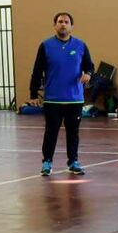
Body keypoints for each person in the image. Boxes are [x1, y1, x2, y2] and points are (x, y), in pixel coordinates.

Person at [30, 12, 94, 176]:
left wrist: (88, 74)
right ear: (54, 25)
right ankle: (47, 162)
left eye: (66, 22)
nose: (63, 24)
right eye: (60, 21)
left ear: (71, 26)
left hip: (75, 100)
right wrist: (33, 93)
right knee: (51, 132)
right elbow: (37, 71)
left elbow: (89, 66)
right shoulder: (46, 46)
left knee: (73, 133)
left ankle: (73, 161)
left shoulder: (80, 45)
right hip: (53, 100)